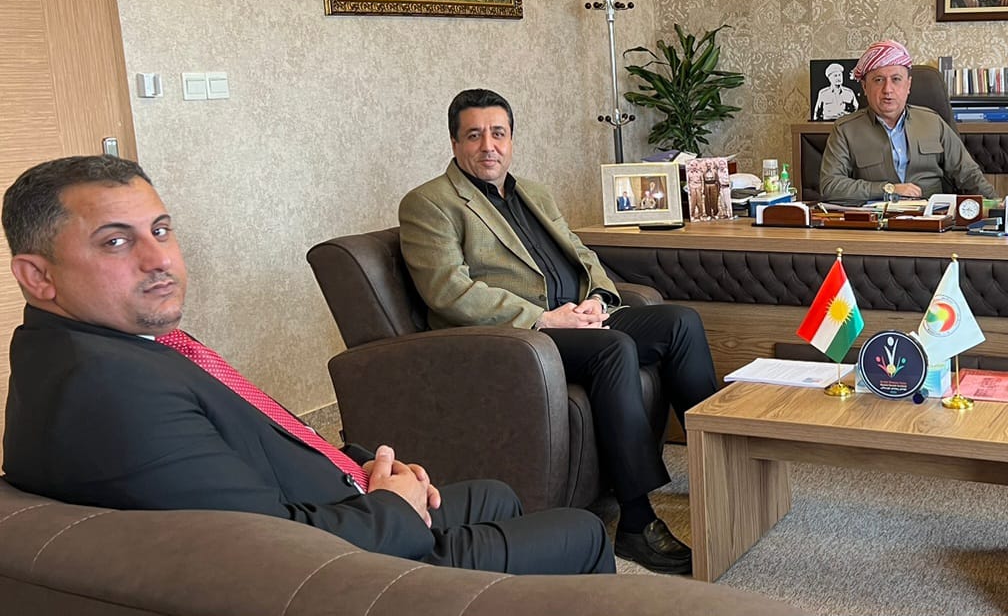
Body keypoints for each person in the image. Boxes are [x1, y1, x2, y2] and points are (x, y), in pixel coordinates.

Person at [1, 155, 613, 576]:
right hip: (359, 566)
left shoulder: (108, 347)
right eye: (115, 241)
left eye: (160, 230)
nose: (157, 258)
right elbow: (275, 554)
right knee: (580, 533)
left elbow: (259, 447)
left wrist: (365, 468)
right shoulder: (108, 388)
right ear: (37, 275)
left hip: (345, 503)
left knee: (496, 495)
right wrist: (392, 506)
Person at [399, 88, 718, 575]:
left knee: (680, 322)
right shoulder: (430, 203)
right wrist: (545, 318)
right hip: (518, 338)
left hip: (576, 318)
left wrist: (598, 300)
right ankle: (636, 522)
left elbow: (582, 255)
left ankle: (719, 469)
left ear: (512, 139)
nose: (489, 146)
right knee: (613, 349)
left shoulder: (533, 192)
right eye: (475, 135)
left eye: (498, 133)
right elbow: (449, 292)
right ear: (454, 142)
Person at [819, 40, 997, 203]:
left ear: (908, 85)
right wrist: (888, 189)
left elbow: (968, 174)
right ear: (865, 87)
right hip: (877, 220)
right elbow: (830, 186)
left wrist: (997, 206)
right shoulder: (846, 130)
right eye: (878, 80)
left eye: (896, 79)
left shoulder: (933, 122)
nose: (888, 89)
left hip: (931, 218)